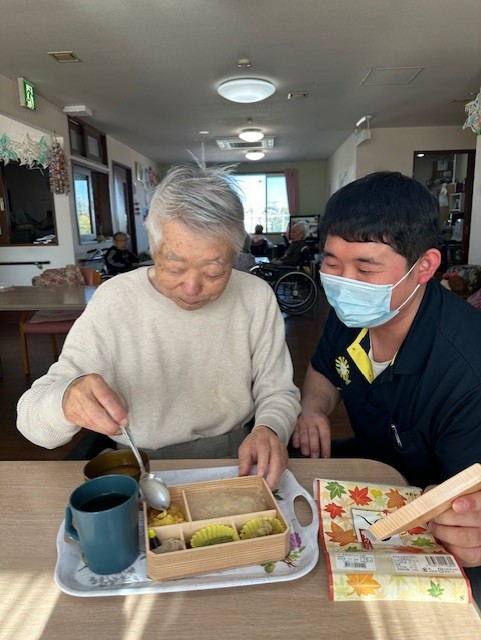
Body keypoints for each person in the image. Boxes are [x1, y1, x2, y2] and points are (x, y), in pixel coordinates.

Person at [17, 163, 301, 489]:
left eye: (214, 272)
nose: (192, 288)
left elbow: (278, 389)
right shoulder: (115, 299)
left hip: (233, 458)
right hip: (136, 465)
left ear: (236, 255)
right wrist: (65, 399)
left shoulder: (255, 296)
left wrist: (270, 428)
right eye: (175, 267)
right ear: (152, 248)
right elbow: (33, 423)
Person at [290, 171, 481, 601]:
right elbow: (324, 370)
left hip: (431, 515)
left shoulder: (466, 370)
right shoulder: (353, 317)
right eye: (332, 264)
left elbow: (468, 497)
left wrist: (469, 525)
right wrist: (313, 408)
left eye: (365, 268)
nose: (344, 283)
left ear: (424, 267)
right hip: (373, 472)